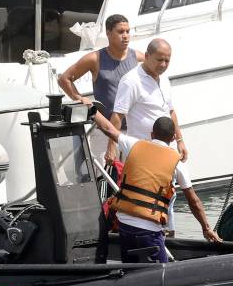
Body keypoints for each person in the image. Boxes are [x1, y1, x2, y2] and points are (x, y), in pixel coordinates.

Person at [93, 112, 219, 262]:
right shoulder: (177, 163)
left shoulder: (134, 145)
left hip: (124, 224)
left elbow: (108, 128)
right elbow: (194, 202)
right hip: (149, 230)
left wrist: (91, 108)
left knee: (129, 270)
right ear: (173, 138)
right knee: (160, 274)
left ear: (152, 134)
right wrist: (206, 228)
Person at [111, 38, 187, 234]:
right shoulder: (131, 81)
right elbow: (117, 115)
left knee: (169, 194)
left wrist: (180, 140)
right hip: (144, 153)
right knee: (148, 199)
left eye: (167, 61)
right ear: (146, 56)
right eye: (159, 60)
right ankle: (152, 235)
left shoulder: (165, 79)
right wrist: (111, 147)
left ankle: (168, 234)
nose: (163, 65)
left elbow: (170, 111)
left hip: (166, 150)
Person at [57, 14, 144, 162]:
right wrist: (79, 98)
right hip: (105, 132)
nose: (126, 36)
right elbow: (64, 79)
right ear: (108, 34)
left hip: (133, 131)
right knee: (104, 181)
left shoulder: (138, 58)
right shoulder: (95, 58)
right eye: (120, 32)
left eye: (128, 31)